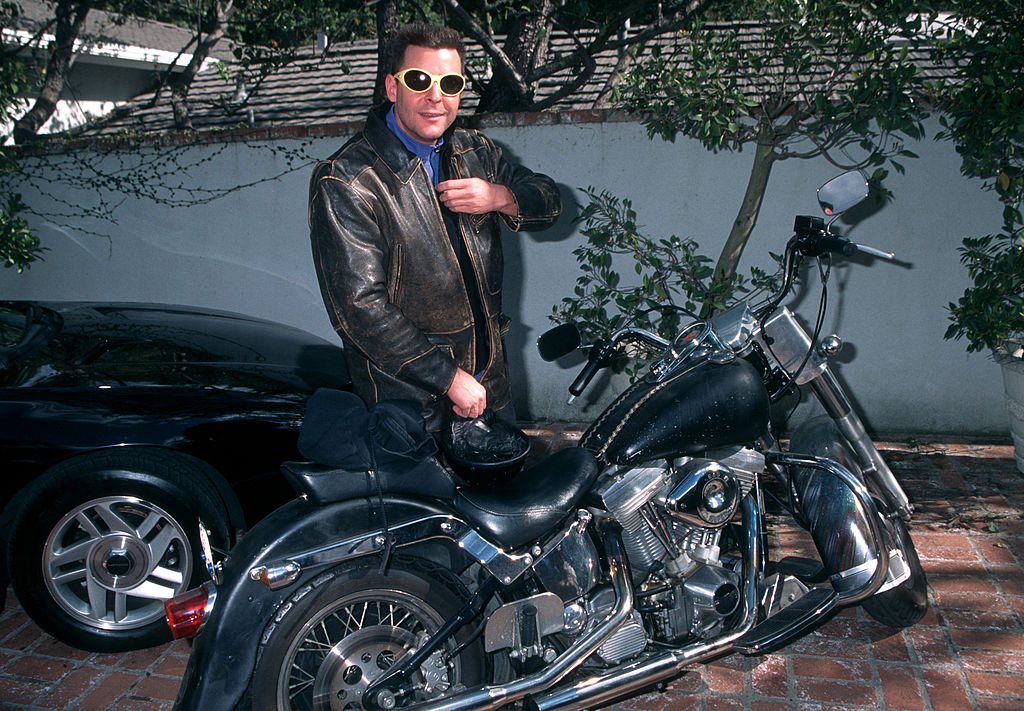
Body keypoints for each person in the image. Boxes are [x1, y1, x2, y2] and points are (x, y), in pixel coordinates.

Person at [309, 23, 562, 431]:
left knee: (508, 494)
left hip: (490, 392)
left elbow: (548, 199)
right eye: (419, 80)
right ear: (393, 88)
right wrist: (447, 378)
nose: (435, 96)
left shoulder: (476, 151)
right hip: (410, 408)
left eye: (450, 82)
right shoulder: (348, 180)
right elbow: (359, 309)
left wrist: (499, 196)